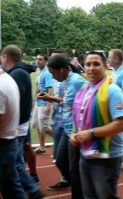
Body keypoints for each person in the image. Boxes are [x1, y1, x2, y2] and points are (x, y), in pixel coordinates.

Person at [70, 51, 123, 198]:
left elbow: (122, 124)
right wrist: (75, 133)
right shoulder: (84, 90)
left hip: (107, 156)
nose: (91, 68)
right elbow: (81, 118)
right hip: (87, 153)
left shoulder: (113, 91)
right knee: (89, 196)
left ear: (105, 66)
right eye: (88, 64)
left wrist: (90, 133)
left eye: (96, 64)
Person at [37, 55, 86, 198]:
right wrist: (49, 98)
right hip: (66, 127)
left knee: (74, 169)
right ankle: (80, 184)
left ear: (63, 69)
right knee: (59, 160)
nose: (52, 76)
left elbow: (89, 99)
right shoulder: (65, 81)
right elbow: (67, 100)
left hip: (76, 129)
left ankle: (80, 192)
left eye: (53, 73)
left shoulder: (77, 81)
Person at [2, 45, 44, 198]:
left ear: (6, 57)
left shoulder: (17, 74)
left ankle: (32, 188)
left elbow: (13, 102)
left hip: (17, 125)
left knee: (15, 162)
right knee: (17, 159)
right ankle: (32, 187)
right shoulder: (22, 72)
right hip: (20, 123)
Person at [0, 67, 25, 198]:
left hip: (3, 144)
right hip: (8, 142)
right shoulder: (6, 78)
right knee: (11, 187)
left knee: (11, 188)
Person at [32, 53, 55, 154]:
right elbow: (37, 89)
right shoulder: (39, 72)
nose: (38, 61)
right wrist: (34, 102)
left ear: (45, 61)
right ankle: (42, 147)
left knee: (44, 127)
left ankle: (62, 139)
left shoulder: (47, 73)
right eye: (37, 59)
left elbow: (50, 88)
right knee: (37, 125)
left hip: (44, 104)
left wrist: (49, 105)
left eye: (40, 59)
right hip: (38, 103)